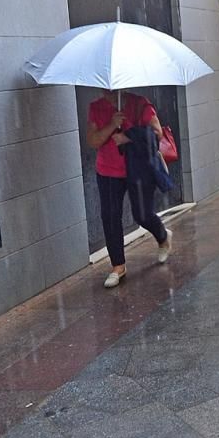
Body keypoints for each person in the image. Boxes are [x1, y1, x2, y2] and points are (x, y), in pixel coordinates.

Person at [86, 90, 172, 289]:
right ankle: (118, 266)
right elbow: (93, 141)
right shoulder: (96, 107)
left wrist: (128, 135)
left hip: (139, 170)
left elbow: (157, 133)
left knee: (142, 215)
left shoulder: (140, 104)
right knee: (110, 216)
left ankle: (163, 236)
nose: (108, 92)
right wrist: (112, 125)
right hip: (107, 171)